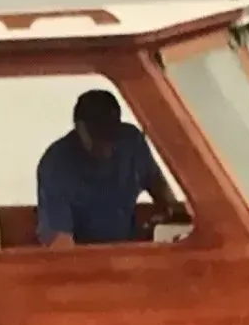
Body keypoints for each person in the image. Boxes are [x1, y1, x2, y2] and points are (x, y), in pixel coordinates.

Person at [35, 89, 182, 247]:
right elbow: (61, 244)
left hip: (129, 253)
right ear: (78, 127)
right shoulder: (56, 165)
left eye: (111, 131)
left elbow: (158, 185)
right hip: (82, 259)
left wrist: (172, 214)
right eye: (96, 133)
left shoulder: (132, 142)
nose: (105, 143)